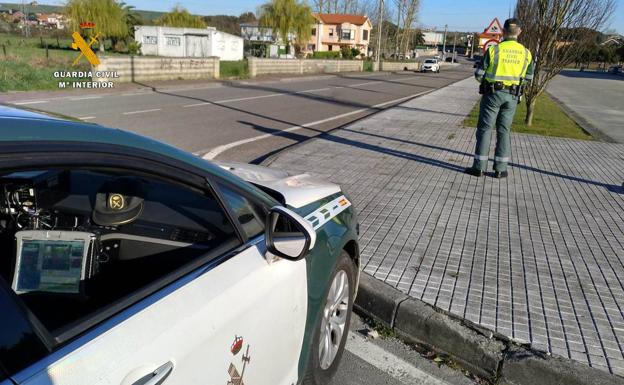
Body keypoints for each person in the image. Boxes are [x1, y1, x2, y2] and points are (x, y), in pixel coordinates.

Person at [465, 18, 534, 178]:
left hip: (492, 95)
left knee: (485, 129)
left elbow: (479, 74)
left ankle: (479, 167)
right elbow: (529, 77)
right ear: (520, 32)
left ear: (503, 31)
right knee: (504, 130)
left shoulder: (494, 50)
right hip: (512, 97)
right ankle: (500, 169)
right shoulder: (526, 53)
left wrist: (488, 82)